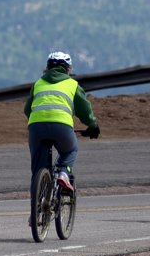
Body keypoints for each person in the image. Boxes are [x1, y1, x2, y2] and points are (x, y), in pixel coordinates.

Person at [24, 50, 99, 192]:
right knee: (71, 150)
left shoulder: (38, 83)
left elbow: (27, 109)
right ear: (68, 68)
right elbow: (84, 109)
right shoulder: (72, 84)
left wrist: (38, 122)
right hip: (62, 126)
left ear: (47, 67)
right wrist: (93, 125)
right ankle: (64, 173)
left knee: (37, 169)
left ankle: (36, 211)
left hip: (36, 127)